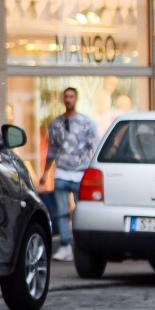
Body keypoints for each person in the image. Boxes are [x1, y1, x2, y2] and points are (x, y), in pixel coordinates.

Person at [43, 87, 98, 261]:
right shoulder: (56, 124)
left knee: (80, 211)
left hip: (81, 173)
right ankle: (66, 245)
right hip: (61, 172)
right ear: (63, 99)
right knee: (61, 211)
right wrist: (45, 173)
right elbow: (52, 150)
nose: (68, 100)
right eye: (66, 97)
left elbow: (94, 148)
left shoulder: (86, 122)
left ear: (76, 98)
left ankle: (81, 244)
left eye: (71, 96)